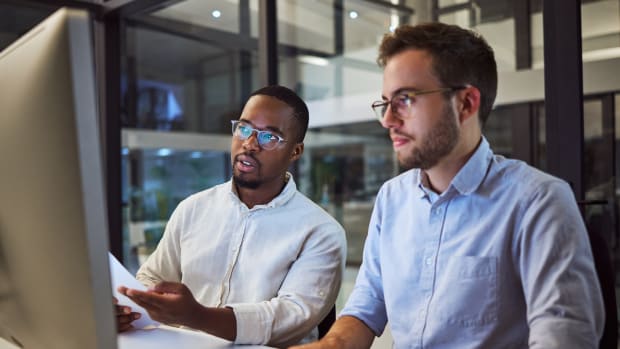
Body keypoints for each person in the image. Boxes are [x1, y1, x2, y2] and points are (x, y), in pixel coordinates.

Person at [291, 22, 604, 349]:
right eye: (385, 103)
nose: (387, 120)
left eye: (406, 99)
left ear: (466, 103)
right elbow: (369, 302)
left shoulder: (537, 202)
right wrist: (332, 345)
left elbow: (564, 339)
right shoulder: (392, 198)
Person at [116, 85, 346, 348]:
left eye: (269, 137)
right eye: (244, 129)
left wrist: (198, 316)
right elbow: (152, 277)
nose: (249, 144)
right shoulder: (193, 208)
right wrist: (130, 305)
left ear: (295, 152)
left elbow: (290, 319)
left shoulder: (321, 231)